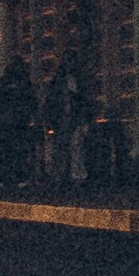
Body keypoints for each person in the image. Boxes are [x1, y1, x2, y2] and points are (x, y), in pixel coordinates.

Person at [0, 51, 40, 189]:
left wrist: (35, 118)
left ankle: (19, 176)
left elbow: (31, 100)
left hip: (19, 121)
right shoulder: (5, 80)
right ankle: (5, 177)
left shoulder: (24, 81)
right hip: (7, 121)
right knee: (7, 150)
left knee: (19, 150)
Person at [42, 53, 88, 189]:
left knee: (75, 149)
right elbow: (51, 102)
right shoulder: (58, 81)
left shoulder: (77, 80)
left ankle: (76, 177)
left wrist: (83, 120)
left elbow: (82, 101)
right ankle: (60, 177)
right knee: (61, 149)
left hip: (72, 119)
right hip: (61, 120)